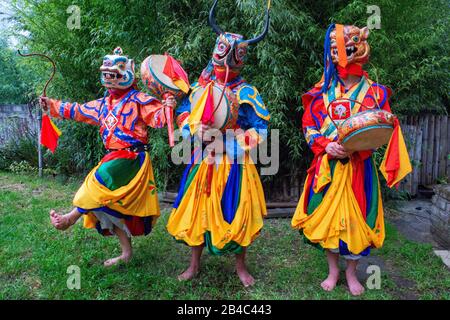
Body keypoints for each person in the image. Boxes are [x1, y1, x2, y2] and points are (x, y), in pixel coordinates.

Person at [291, 24, 412, 295]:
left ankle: (351, 273)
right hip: (328, 167)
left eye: (347, 47)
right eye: (337, 48)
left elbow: (385, 129)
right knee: (330, 223)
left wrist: (360, 147)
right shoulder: (321, 90)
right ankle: (333, 272)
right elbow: (308, 126)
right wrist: (325, 145)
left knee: (359, 222)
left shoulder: (376, 93)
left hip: (360, 169)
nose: (342, 53)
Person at [166, 0, 271, 287]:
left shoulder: (248, 92)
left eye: (234, 55)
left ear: (242, 58)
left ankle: (240, 265)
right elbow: (183, 114)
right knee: (197, 209)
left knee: (239, 212)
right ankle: (194, 263)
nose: (226, 61)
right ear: (215, 50)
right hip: (202, 159)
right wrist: (193, 129)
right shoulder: (200, 87)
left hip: (235, 163)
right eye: (223, 51)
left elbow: (260, 129)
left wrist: (234, 142)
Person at [41, 47, 176, 266]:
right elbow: (77, 110)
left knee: (97, 182)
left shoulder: (139, 100)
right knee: (108, 206)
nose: (109, 76)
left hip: (132, 158)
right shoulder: (103, 105)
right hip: (113, 158)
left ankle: (70, 218)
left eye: (114, 73)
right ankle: (126, 254)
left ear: (126, 74)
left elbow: (158, 118)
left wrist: (167, 108)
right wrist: (52, 105)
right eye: (107, 73)